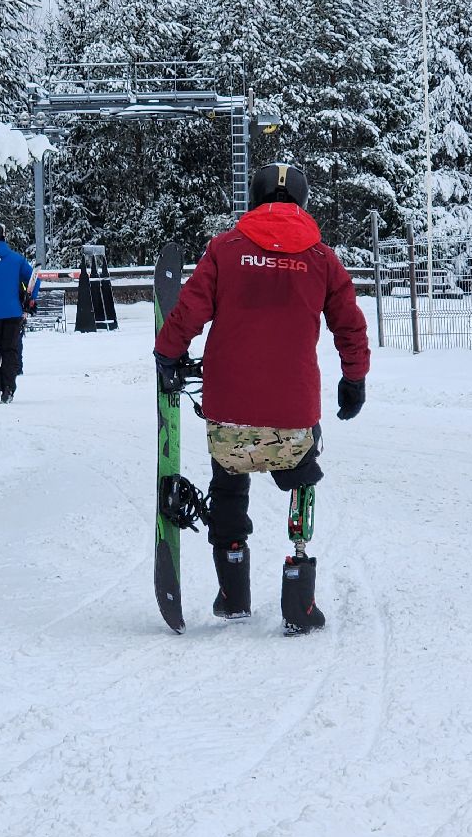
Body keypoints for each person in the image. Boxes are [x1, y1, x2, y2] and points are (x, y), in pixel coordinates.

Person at [153, 162, 369, 636]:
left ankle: (233, 594)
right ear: (304, 202)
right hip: (293, 421)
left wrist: (168, 355)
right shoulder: (322, 259)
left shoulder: (225, 250)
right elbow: (349, 324)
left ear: (252, 200)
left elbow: (189, 308)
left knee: (229, 484)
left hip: (228, 415)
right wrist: (354, 378)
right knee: (301, 478)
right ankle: (299, 596)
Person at [0, 221, 38, 403]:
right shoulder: (16, 259)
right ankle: (8, 388)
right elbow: (34, 278)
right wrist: (30, 297)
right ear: (3, 237)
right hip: (12, 312)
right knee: (10, 350)